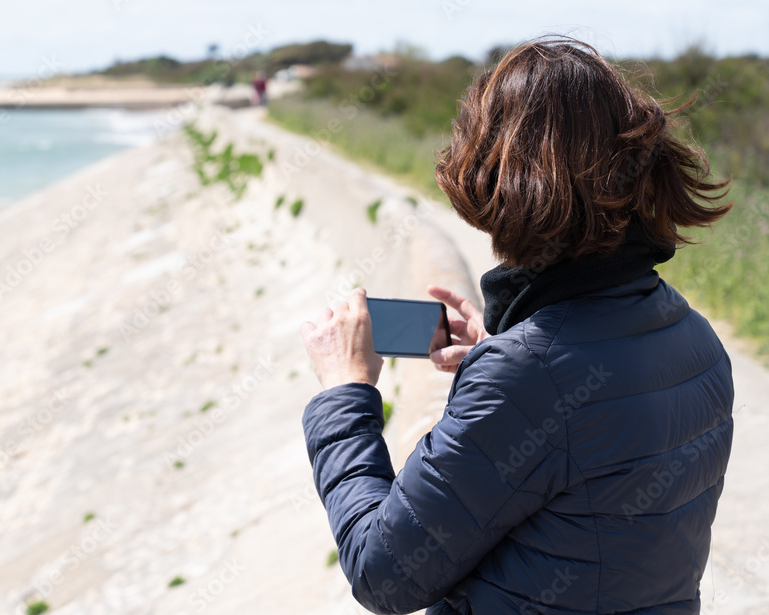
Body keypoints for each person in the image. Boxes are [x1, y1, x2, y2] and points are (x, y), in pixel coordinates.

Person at [299, 38, 734, 614]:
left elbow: (384, 574)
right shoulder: (692, 335)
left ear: (498, 181)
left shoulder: (528, 376)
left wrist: (345, 391)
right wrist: (503, 350)